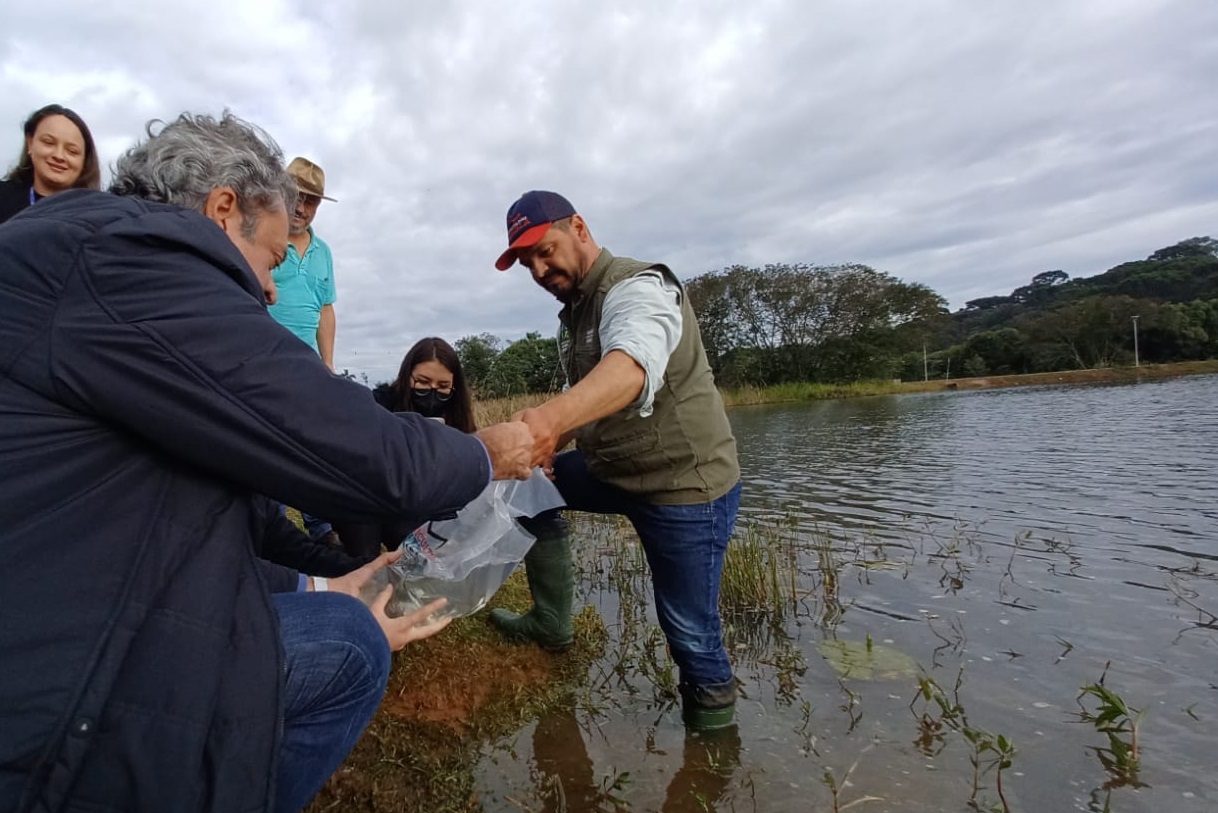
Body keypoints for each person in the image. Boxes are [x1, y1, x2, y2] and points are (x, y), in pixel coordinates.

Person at [0, 111, 534, 813]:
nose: (275, 291)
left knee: (336, 615)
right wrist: (484, 451)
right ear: (225, 208)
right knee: (350, 647)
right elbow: (354, 450)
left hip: (69, 606)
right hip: (47, 699)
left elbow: (205, 516)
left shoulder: (91, 259)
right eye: (273, 260)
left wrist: (320, 584)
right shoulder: (129, 257)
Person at [489, 191, 742, 731]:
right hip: (615, 470)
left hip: (683, 485)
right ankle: (551, 622)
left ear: (578, 227)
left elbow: (629, 369)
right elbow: (589, 391)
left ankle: (713, 742)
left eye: (544, 249)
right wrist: (555, 445)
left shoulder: (639, 287)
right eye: (526, 260)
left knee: (690, 631)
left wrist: (549, 422)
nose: (538, 267)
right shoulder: (576, 310)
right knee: (526, 490)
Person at [332, 337, 567, 561]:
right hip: (373, 495)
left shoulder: (457, 417)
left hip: (423, 502)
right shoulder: (378, 404)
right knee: (361, 535)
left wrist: (524, 470)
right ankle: (359, 570)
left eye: (443, 386)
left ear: (454, 387)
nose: (432, 391)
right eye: (423, 382)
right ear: (406, 377)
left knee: (418, 541)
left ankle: (420, 567)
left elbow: (477, 467)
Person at [267, 156, 341, 548]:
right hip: (267, 365)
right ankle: (270, 531)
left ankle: (323, 529)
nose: (301, 207)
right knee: (271, 448)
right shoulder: (262, 234)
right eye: (295, 195)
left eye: (310, 201)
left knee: (315, 447)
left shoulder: (323, 251)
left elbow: (326, 309)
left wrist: (327, 364)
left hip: (309, 369)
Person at [0, 103, 101, 224]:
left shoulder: (99, 216)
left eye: (72, 151)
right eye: (48, 142)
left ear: (84, 160)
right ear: (30, 143)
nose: (59, 156)